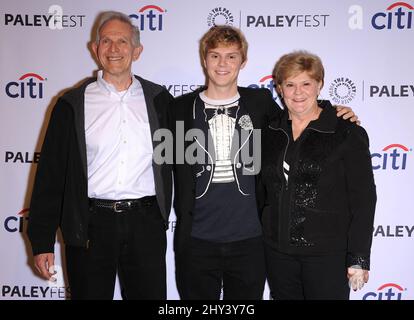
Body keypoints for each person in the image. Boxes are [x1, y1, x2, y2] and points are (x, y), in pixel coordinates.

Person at [171, 25, 357, 300]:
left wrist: (335, 112)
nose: (223, 64)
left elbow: (300, 111)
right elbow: (163, 164)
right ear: (204, 59)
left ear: (243, 62)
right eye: (215, 56)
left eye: (231, 56)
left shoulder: (259, 104)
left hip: (251, 242)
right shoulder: (178, 109)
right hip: (196, 241)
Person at [27, 11, 173, 300]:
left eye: (122, 41)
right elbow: (51, 175)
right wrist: (42, 240)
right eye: (106, 41)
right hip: (90, 226)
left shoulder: (160, 101)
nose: (114, 49)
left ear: (137, 51)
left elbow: (180, 161)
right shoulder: (71, 105)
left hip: (145, 224)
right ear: (95, 49)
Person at [258, 50, 377, 300]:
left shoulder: (345, 132)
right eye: (290, 84)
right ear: (279, 88)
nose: (298, 92)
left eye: (306, 84)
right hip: (277, 254)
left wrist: (358, 258)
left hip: (327, 256)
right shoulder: (269, 131)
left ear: (320, 85)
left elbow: (363, 200)